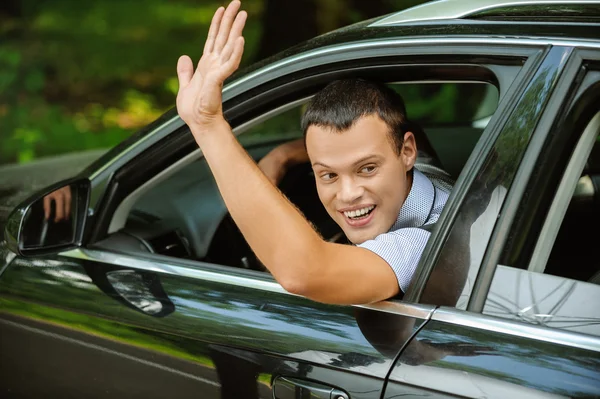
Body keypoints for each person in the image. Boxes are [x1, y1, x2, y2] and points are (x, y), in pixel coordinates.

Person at [175, 0, 453, 304]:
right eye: (328, 174)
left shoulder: (428, 241)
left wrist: (207, 126)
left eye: (367, 169)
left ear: (406, 152)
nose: (347, 194)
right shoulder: (425, 172)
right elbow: (411, 135)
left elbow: (305, 272)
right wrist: (284, 155)